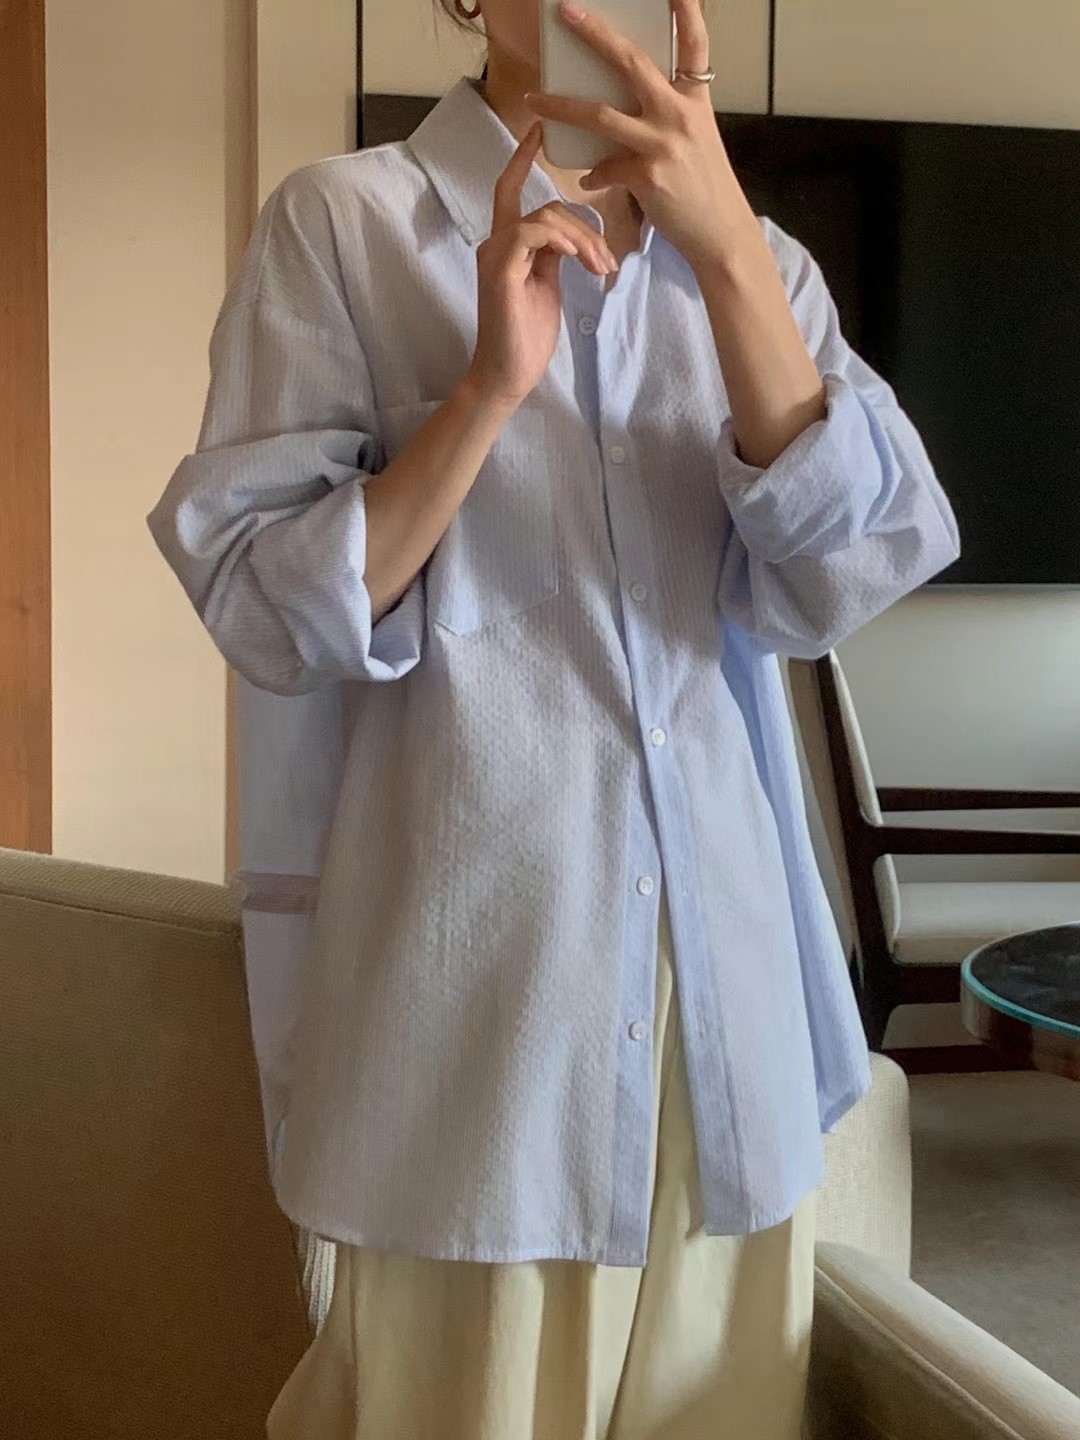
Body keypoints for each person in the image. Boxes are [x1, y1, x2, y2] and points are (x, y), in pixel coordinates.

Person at [148, 0, 959, 1434]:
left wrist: (727, 257)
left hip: (730, 1018)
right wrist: (484, 393)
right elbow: (262, 612)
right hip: (478, 1028)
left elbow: (848, 576)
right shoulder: (346, 227)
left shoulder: (762, 265)